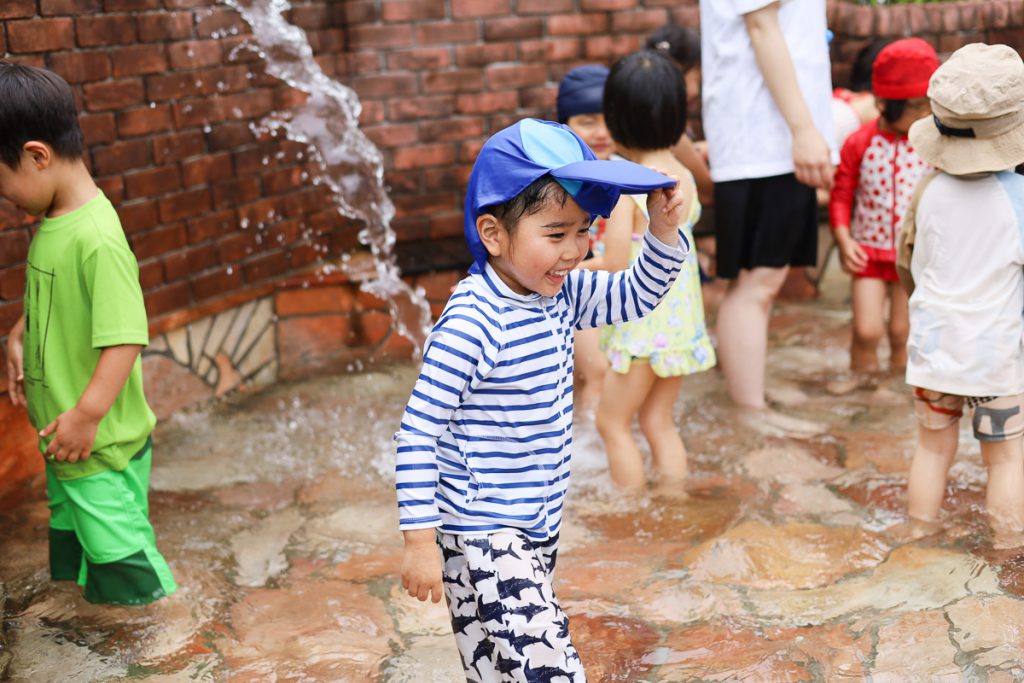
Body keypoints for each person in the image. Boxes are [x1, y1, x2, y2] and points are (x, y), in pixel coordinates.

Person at [395, 118, 693, 680]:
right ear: (493, 234)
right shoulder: (473, 321)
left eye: (583, 232)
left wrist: (661, 232)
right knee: (552, 670)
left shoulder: (561, 294)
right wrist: (419, 542)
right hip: (483, 531)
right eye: (555, 235)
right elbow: (417, 431)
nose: (575, 251)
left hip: (533, 524)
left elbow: (638, 294)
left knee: (499, 671)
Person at [0, 63, 176, 605]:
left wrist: (87, 415)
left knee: (129, 568)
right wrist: (20, 334)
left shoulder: (96, 237)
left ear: (36, 156)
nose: (5, 197)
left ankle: (170, 635)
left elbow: (125, 337)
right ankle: (86, 613)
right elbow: (56, 296)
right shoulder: (57, 222)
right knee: (79, 551)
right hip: (65, 438)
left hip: (95, 443)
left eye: (2, 182)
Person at [896, 43, 1024, 542]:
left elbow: (909, 265)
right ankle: (1008, 546)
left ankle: (919, 535)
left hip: (933, 349)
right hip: (995, 357)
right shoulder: (1018, 200)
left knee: (931, 449)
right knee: (1005, 459)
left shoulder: (927, 190)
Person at [700, 0, 837, 433]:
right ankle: (749, 411)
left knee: (762, 280)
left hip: (769, 137)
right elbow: (761, 27)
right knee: (757, 281)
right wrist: (804, 130)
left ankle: (749, 391)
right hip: (761, 139)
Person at [596, 50, 716, 492]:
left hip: (643, 327)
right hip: (678, 323)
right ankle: (673, 500)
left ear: (616, 119)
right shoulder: (683, 174)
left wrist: (557, 269)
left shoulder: (629, 184)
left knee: (611, 423)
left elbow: (614, 263)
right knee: (658, 421)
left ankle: (631, 510)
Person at [830, 38, 938, 378]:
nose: (924, 113)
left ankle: (893, 390)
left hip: (911, 253)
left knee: (901, 332)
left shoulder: (930, 145)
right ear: (883, 103)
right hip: (868, 252)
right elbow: (841, 194)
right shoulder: (860, 142)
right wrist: (844, 240)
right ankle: (863, 383)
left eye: (928, 104)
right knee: (867, 330)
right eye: (915, 106)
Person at [557, 64, 612, 415]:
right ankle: (590, 442)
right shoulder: (555, 181)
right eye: (588, 121)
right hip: (570, 288)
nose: (601, 133)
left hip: (615, 290)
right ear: (566, 126)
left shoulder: (629, 174)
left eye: (609, 120)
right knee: (596, 373)